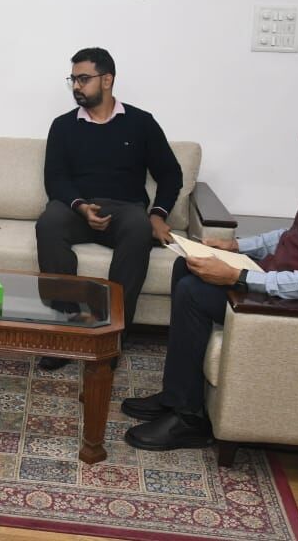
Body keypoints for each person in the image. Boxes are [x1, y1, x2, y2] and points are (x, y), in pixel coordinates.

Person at [122, 89, 298, 451]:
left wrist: (239, 277)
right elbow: (296, 236)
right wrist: (237, 247)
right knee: (187, 266)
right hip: (295, 286)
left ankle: (190, 420)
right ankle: (176, 395)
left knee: (195, 292)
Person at [35, 47, 182, 370]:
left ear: (107, 80)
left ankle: (110, 337)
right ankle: (66, 330)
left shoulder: (141, 123)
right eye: (73, 79)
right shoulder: (63, 126)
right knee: (48, 223)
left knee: (139, 227)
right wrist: (81, 207)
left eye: (83, 79)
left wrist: (158, 215)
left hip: (124, 210)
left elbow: (171, 174)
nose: (76, 86)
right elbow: (55, 179)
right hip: (76, 208)